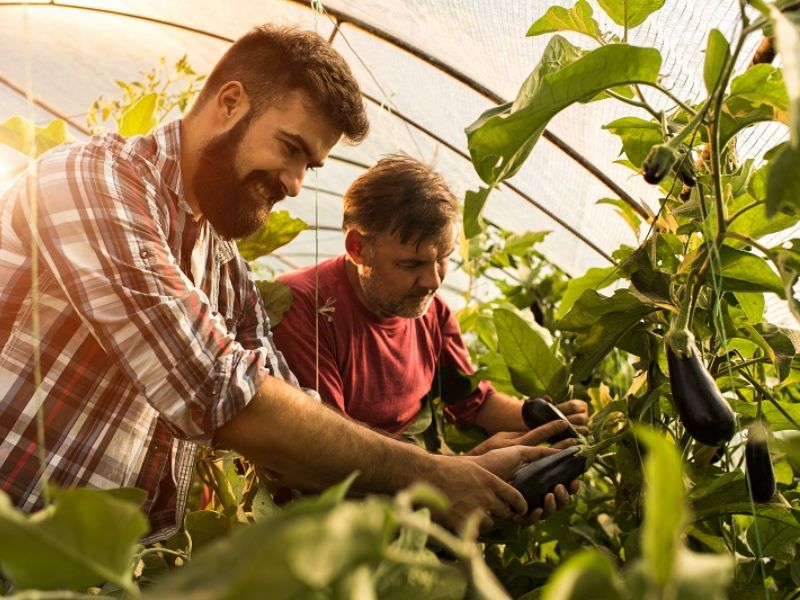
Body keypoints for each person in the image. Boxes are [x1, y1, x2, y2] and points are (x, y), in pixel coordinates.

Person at [0, 25, 566, 544]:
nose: (295, 185)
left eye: (309, 166)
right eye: (292, 149)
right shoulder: (91, 181)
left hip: (101, 565)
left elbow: (299, 415)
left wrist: (465, 472)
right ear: (230, 103)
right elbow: (215, 389)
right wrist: (436, 478)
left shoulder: (224, 268)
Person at [272, 154, 589, 454]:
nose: (434, 281)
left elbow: (472, 402)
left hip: (407, 481)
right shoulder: (304, 308)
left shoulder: (432, 313)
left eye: (444, 258)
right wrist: (466, 466)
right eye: (411, 264)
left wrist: (543, 420)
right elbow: (331, 450)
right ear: (358, 248)